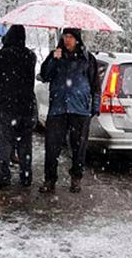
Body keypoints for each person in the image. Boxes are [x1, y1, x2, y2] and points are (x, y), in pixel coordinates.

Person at [38, 28, 101, 194]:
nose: (67, 40)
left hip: (79, 110)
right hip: (58, 109)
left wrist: (95, 107)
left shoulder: (88, 59)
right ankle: (50, 180)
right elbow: (44, 76)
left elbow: (96, 86)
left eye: (71, 37)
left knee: (78, 147)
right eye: (65, 36)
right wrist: (53, 59)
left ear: (77, 39)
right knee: (52, 147)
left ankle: (76, 178)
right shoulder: (55, 56)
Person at [0, 25, 37, 189]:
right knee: (25, 144)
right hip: (27, 107)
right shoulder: (31, 56)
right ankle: (26, 176)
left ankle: (3, 177)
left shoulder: (1, 56)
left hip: (8, 108)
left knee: (4, 142)